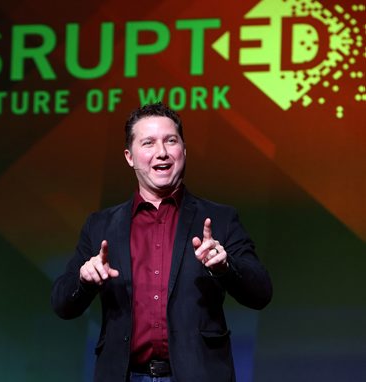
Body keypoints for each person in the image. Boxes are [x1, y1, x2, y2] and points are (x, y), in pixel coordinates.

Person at [51, 102, 272, 382]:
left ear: (184, 150)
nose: (162, 153)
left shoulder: (220, 219)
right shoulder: (101, 225)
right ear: (130, 157)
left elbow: (261, 293)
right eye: (148, 143)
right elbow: (62, 304)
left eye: (171, 141)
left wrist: (225, 267)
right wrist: (84, 281)